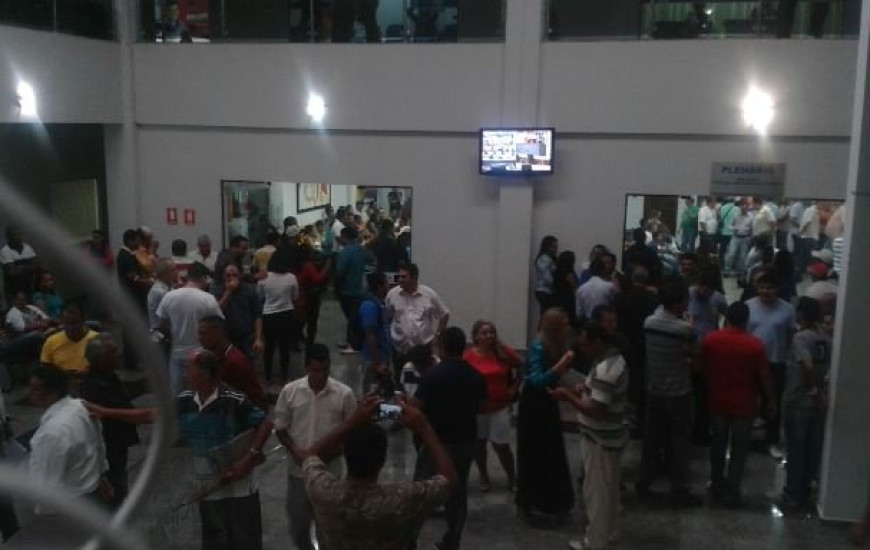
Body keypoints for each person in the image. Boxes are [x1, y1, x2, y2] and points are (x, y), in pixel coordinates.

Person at [294, 394, 455, 550]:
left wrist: (351, 422)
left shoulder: (322, 489)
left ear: (345, 452)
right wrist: (424, 427)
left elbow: (308, 456)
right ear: (383, 460)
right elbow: (450, 480)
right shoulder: (401, 498)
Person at [551, 322, 628, 550]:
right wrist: (585, 389)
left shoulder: (605, 370)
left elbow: (597, 411)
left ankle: (596, 543)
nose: (583, 350)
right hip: (611, 438)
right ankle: (609, 537)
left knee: (597, 497)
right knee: (610, 494)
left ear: (599, 343)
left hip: (600, 440)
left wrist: (568, 397)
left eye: (586, 345)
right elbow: (601, 395)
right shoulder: (614, 360)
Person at [274, 343, 356, 550]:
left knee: (328, 527)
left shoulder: (344, 395)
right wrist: (297, 452)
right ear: (306, 368)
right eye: (315, 370)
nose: (320, 375)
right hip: (298, 473)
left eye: (325, 370)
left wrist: (330, 454)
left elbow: (352, 432)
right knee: (298, 526)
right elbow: (281, 429)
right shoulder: (290, 392)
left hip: (330, 474)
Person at [411, 327, 486, 550]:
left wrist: (382, 411)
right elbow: (481, 407)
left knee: (421, 490)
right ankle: (453, 538)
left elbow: (415, 411)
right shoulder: (476, 376)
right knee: (457, 489)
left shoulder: (432, 376)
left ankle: (409, 538)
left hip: (436, 443)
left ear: (442, 347)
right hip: (466, 442)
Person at [702, 302, 775, 506]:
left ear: (727, 318)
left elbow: (702, 366)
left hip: (717, 400)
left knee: (718, 444)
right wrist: (771, 400)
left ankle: (716, 482)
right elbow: (764, 376)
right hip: (744, 403)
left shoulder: (711, 340)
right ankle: (733, 490)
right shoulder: (755, 345)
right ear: (746, 320)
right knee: (739, 449)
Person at [637, 278, 701, 507]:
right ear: (679, 303)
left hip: (654, 390)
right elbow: (696, 357)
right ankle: (679, 489)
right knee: (680, 442)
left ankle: (644, 482)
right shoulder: (684, 328)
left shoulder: (649, 322)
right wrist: (689, 326)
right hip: (679, 392)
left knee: (651, 440)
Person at [516, 309, 576, 524]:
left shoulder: (557, 345)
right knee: (535, 453)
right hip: (534, 405)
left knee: (551, 452)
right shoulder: (538, 346)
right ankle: (532, 501)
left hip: (547, 403)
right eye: (565, 324)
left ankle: (552, 500)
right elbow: (536, 380)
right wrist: (561, 364)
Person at [28, 365, 111, 513]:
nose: (30, 394)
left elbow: (48, 485)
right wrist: (102, 475)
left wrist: (42, 514)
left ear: (53, 392)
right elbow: (99, 444)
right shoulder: (81, 406)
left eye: (35, 389)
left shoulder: (50, 434)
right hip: (92, 492)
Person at [780, 297, 831, 510]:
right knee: (812, 448)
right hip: (817, 402)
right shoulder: (826, 338)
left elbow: (807, 366)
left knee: (795, 449)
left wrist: (811, 388)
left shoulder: (801, 338)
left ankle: (793, 494)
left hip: (798, 399)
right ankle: (806, 489)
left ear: (800, 314)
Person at [80, 333, 139, 508]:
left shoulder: (109, 377)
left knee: (120, 482)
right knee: (115, 489)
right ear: (99, 359)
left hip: (117, 444)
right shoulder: (96, 386)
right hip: (108, 448)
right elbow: (123, 411)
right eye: (112, 351)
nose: (119, 354)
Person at [463, 321, 521, 493]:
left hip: (500, 406)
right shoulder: (469, 356)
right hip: (478, 409)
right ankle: (483, 475)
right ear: (476, 337)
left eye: (492, 333)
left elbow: (522, 365)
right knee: (479, 445)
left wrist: (514, 387)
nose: (489, 336)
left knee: (502, 445)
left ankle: (512, 478)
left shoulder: (504, 352)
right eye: (485, 333)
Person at [747, 271, 796, 459]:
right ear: (757, 288)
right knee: (750, 401)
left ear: (777, 289)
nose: (766, 291)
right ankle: (748, 438)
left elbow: (791, 336)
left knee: (772, 402)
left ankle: (771, 441)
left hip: (776, 361)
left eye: (770, 287)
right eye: (762, 287)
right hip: (751, 363)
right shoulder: (748, 306)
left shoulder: (787, 309)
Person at [155, 263, 224, 394]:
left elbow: (162, 326)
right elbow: (218, 324)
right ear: (203, 278)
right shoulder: (208, 299)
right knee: (200, 392)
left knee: (177, 395)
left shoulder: (169, 296)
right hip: (200, 354)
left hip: (176, 353)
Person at [385, 262, 449, 390]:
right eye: (399, 276)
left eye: (404, 277)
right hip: (400, 350)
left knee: (425, 382)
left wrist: (437, 337)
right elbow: (389, 316)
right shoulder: (392, 294)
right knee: (401, 382)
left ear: (414, 277)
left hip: (423, 349)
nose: (400, 280)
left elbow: (444, 314)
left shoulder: (429, 294)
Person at [614, 266, 659, 433]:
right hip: (645, 343)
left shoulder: (621, 298)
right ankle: (640, 414)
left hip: (625, 343)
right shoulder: (653, 300)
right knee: (642, 378)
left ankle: (625, 413)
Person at [198, 316, 267, 409]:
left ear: (219, 333)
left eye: (203, 333)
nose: (199, 338)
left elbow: (256, 397)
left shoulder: (236, 362)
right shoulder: (208, 357)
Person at [258, 247, 299, 386]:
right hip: (286, 315)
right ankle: (284, 376)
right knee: (284, 348)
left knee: (269, 348)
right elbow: (295, 296)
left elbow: (260, 296)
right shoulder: (291, 277)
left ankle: (268, 377)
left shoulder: (264, 278)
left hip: (268, 315)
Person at [336, 227, 372, 353]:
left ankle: (354, 344)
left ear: (345, 237)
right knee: (354, 316)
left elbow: (340, 272)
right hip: (361, 289)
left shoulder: (346, 252)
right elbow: (370, 265)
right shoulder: (362, 250)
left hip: (348, 290)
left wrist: (337, 288)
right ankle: (352, 341)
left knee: (352, 318)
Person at [216, 264, 263, 358]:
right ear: (223, 276)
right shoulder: (219, 290)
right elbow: (218, 312)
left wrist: (258, 339)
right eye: (228, 275)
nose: (231, 278)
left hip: (246, 337)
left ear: (240, 276)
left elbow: (257, 316)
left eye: (235, 275)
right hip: (226, 338)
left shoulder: (250, 290)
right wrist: (228, 292)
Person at [41, 301, 98, 376]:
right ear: (62, 322)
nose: (71, 327)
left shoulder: (96, 339)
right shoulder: (51, 342)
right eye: (67, 323)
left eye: (75, 323)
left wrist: (89, 371)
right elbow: (45, 369)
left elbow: (105, 366)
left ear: (83, 320)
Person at [360, 272, 392, 396]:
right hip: (373, 360)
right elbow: (370, 336)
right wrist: (378, 363)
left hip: (381, 356)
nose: (388, 287)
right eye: (386, 283)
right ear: (379, 287)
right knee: (371, 393)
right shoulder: (370, 306)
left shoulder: (379, 303)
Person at [0, 291, 51, 366]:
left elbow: (11, 332)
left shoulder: (3, 314)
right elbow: (21, 328)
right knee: (35, 335)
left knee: (35, 338)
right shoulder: (12, 312)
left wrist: (10, 330)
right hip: (3, 347)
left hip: (11, 341)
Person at [296, 246, 331, 346]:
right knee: (312, 319)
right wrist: (326, 268)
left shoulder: (297, 265)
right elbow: (317, 278)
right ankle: (310, 341)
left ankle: (297, 339)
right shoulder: (307, 265)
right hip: (309, 295)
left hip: (299, 295)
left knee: (301, 318)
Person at [1, 226, 41, 298]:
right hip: (13, 293)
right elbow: (12, 272)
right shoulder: (5, 251)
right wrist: (30, 267)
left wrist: (21, 268)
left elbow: (38, 267)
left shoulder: (27, 248)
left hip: (29, 290)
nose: (17, 237)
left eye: (19, 234)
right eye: (14, 235)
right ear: (8, 236)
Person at [575, 258, 616, 325]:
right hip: (605, 323)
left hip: (588, 323)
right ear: (603, 270)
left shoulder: (581, 289)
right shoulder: (609, 286)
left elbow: (579, 314)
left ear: (590, 271)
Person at [724, 199, 753, 279]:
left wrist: (750, 238)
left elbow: (752, 228)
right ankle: (727, 271)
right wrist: (733, 229)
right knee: (731, 254)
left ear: (748, 207)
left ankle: (741, 272)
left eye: (746, 205)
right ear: (740, 206)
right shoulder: (735, 215)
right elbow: (730, 225)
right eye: (742, 205)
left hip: (745, 238)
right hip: (735, 237)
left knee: (743, 257)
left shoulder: (751, 216)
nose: (744, 207)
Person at [552, 250, 580, 326]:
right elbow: (574, 284)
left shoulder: (557, 271)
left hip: (556, 299)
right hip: (567, 299)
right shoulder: (568, 272)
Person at [148, 258, 176, 330]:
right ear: (164, 274)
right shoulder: (160, 292)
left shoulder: (167, 287)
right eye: (173, 270)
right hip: (161, 332)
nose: (176, 273)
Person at [534, 236, 559, 314]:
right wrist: (556, 282)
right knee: (546, 315)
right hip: (544, 291)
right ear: (546, 247)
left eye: (556, 247)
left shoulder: (550, 259)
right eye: (553, 247)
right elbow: (546, 277)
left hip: (547, 291)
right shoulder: (544, 259)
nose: (555, 249)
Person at [718, 198, 739, 264]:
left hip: (724, 232)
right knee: (732, 250)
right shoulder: (737, 209)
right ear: (733, 202)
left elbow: (720, 218)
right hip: (733, 233)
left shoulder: (722, 208)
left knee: (722, 249)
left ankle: (721, 263)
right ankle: (731, 264)